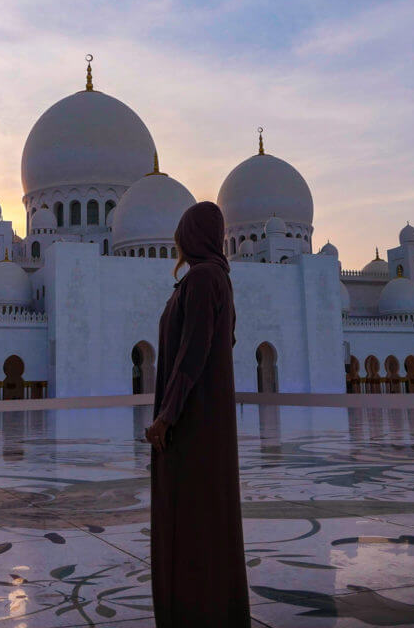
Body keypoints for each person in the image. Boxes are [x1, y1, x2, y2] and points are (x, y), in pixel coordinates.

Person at [143, 201, 250, 628]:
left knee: (193, 520)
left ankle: (195, 614)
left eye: (182, 235)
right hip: (202, 420)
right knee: (203, 518)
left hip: (193, 425)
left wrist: (167, 416)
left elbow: (193, 352)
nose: (178, 244)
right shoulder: (213, 279)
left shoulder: (204, 279)